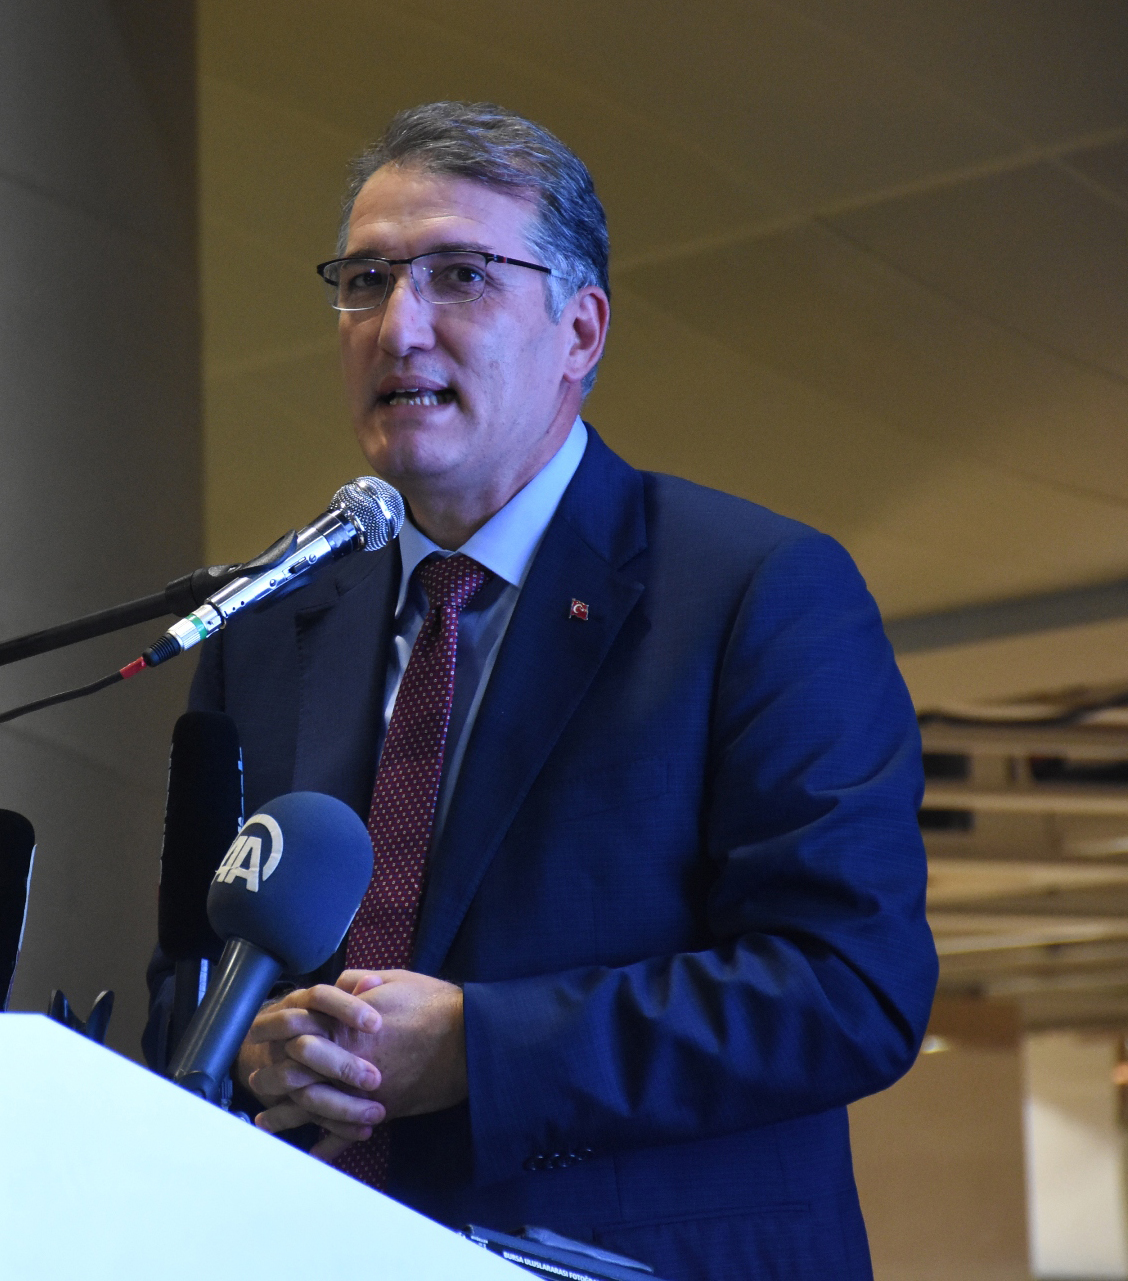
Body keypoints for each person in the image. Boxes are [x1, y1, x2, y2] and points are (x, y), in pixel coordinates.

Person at [149, 101, 938, 1280]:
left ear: (580, 329)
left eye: (460, 276)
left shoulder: (758, 591)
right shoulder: (266, 625)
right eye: (365, 282)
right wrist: (246, 1048)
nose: (399, 326)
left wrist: (483, 1050)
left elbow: (850, 989)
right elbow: (189, 977)